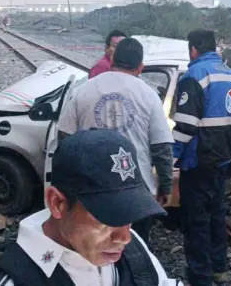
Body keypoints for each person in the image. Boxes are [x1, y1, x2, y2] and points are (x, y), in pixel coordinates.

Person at [0, 129, 182, 286]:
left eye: (130, 215)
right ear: (57, 203)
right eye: (108, 218)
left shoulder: (134, 248)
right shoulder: (15, 280)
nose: (124, 237)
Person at [56, 38, 174, 245]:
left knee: (93, 245)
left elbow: (64, 140)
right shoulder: (149, 95)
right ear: (141, 67)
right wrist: (165, 186)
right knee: (133, 245)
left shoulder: (83, 90)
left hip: (91, 186)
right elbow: (161, 147)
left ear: (112, 61)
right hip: (135, 188)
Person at [171, 29, 231, 286]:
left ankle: (199, 277)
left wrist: (171, 157)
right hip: (222, 160)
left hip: (197, 162)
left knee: (196, 221)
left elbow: (185, 127)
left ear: (193, 50)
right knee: (216, 215)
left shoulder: (194, 76)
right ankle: (219, 269)